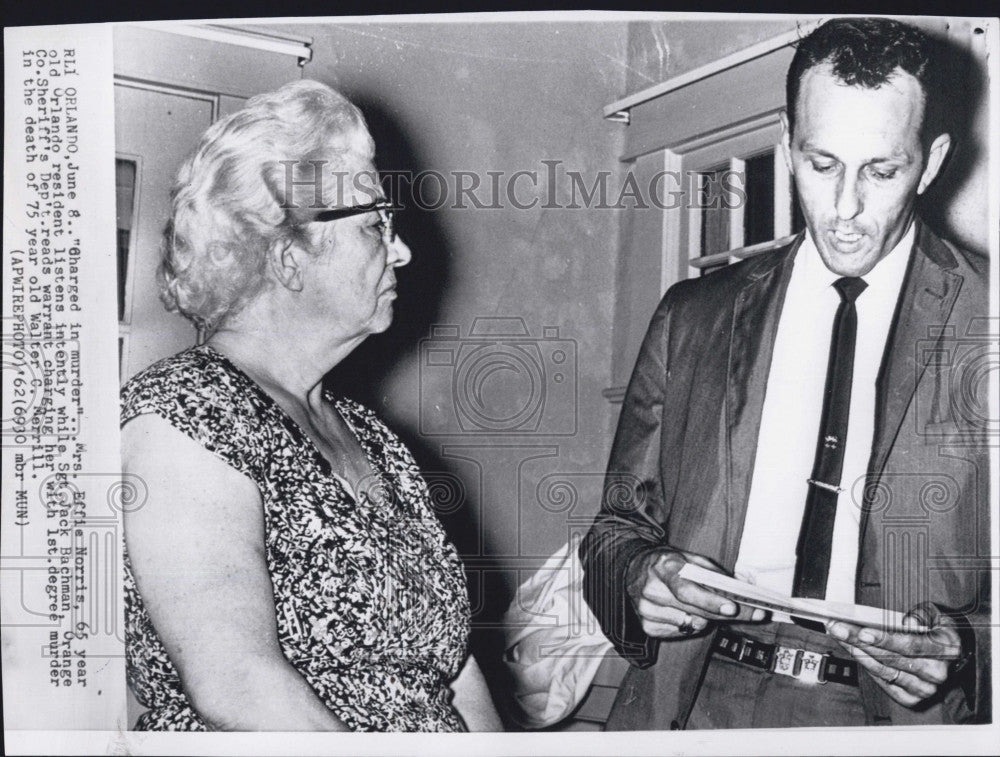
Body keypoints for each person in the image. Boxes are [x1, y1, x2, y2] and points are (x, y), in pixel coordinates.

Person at [581, 17, 990, 729]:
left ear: (931, 161)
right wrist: (641, 578)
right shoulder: (692, 315)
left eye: (882, 170)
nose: (846, 209)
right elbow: (615, 532)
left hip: (886, 719)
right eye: (822, 164)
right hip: (692, 699)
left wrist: (970, 648)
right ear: (787, 144)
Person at [121, 79, 501, 732]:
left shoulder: (373, 438)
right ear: (287, 253)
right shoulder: (181, 416)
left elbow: (455, 666)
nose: (403, 249)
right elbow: (238, 681)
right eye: (378, 222)